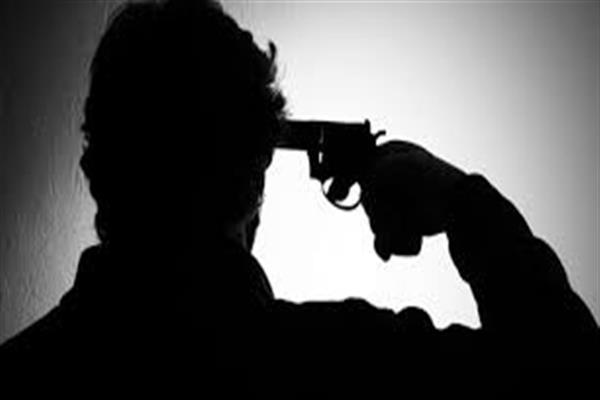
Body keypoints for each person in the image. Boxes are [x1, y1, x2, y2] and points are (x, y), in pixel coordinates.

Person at [1, 0, 597, 396]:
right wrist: (460, 199)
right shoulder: (347, 367)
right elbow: (568, 378)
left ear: (94, 167)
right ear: (258, 171)